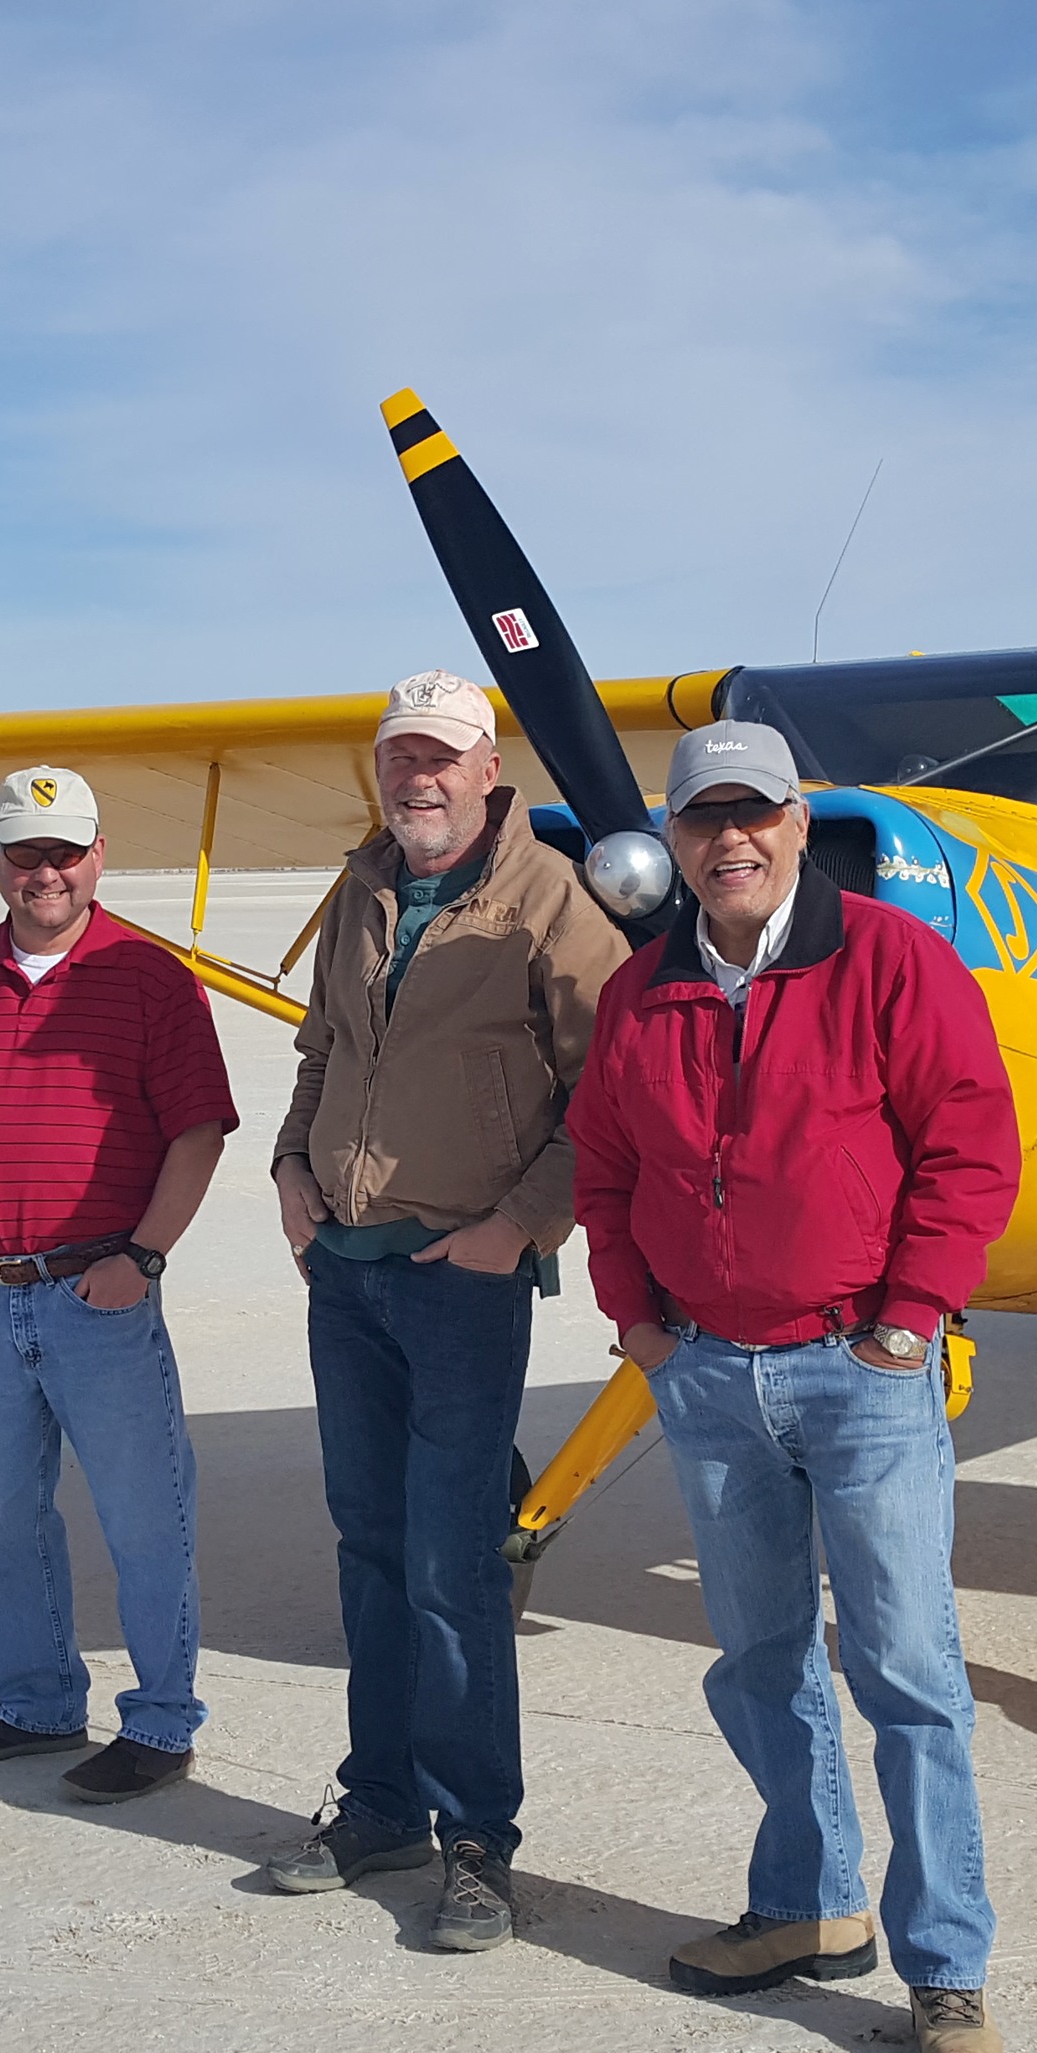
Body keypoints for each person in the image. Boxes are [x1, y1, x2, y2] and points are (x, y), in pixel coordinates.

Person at [566, 718, 1023, 2053]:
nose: (732, 840)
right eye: (705, 819)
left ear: (798, 817)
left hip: (861, 1372)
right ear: (677, 837)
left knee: (906, 1673)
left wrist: (912, 1312)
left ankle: (943, 1967)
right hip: (707, 1373)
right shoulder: (641, 993)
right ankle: (809, 1902)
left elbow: (972, 1143)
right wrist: (636, 1319)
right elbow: (601, 1166)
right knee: (759, 1661)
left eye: (754, 812)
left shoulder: (893, 961)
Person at [264, 670, 626, 1951]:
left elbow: (611, 1094)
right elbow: (320, 1050)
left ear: (487, 770)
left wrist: (518, 1226)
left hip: (459, 1281)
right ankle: (379, 1807)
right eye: (398, 758)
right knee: (367, 1547)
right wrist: (292, 1173)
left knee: (451, 1564)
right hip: (345, 1271)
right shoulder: (364, 885)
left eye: (439, 758)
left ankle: (478, 1839)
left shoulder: (549, 902)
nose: (416, 778)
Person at [0, 764, 238, 1805]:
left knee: (146, 1518)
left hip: (98, 1295)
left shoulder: (149, 978)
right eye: (27, 853)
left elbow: (197, 1131)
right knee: (8, 1522)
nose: (48, 872)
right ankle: (34, 1703)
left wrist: (143, 1258)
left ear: (98, 857)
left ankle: (161, 1722)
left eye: (66, 852)